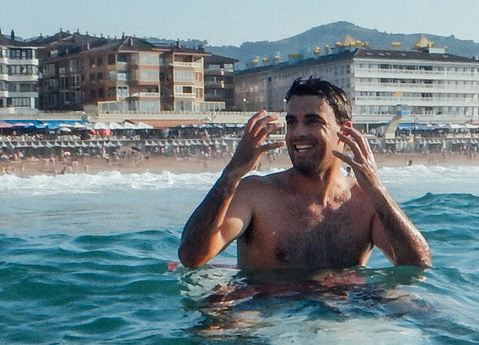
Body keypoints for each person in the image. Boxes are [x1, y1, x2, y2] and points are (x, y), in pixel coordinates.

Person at [178, 77, 431, 271]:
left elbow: (417, 266)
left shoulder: (365, 200)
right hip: (267, 313)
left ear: (344, 131)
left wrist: (377, 189)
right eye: (292, 122)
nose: (297, 132)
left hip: (340, 313)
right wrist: (231, 175)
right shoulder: (255, 193)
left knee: (423, 311)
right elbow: (192, 257)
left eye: (312, 121)